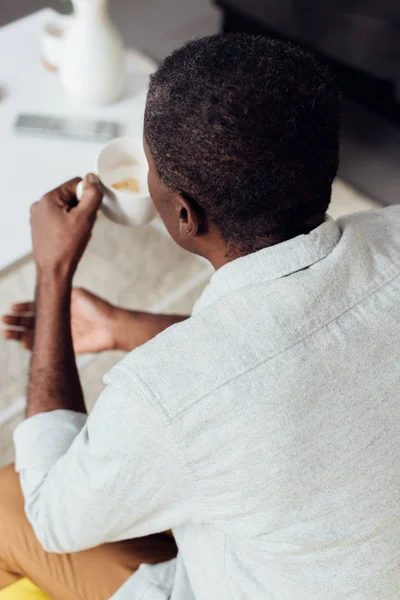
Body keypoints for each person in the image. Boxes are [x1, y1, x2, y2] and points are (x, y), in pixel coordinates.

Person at [0, 32, 399, 600]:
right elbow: (292, 351)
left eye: (152, 165)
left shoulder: (166, 400)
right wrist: (122, 327)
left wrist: (52, 273)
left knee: (9, 503)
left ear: (185, 214)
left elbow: (53, 517)